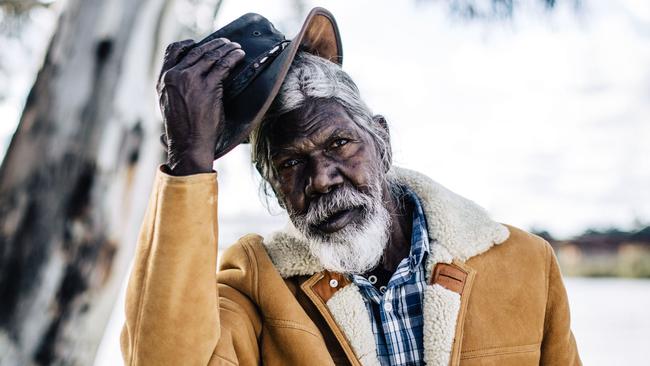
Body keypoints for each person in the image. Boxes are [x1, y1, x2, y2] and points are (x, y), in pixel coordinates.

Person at [120, 7, 581, 366]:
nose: (321, 179)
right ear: (274, 186)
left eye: (339, 143)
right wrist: (188, 162)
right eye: (290, 163)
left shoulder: (525, 264)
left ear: (381, 140)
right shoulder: (256, 284)